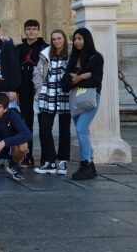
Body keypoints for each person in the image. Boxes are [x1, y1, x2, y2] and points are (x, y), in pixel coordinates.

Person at [64, 28, 104, 181]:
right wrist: (83, 76)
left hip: (90, 99)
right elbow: (65, 82)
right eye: (75, 39)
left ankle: (85, 164)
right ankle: (91, 165)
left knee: (81, 129)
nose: (77, 42)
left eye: (80, 38)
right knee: (83, 131)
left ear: (87, 39)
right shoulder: (73, 58)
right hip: (75, 99)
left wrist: (78, 78)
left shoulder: (96, 58)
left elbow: (95, 81)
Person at [34, 29, 71, 176]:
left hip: (65, 95)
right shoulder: (45, 54)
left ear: (64, 39)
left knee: (64, 130)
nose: (57, 41)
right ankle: (49, 161)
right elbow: (37, 73)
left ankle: (62, 160)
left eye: (59, 38)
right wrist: (39, 89)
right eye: (54, 39)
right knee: (44, 129)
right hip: (47, 95)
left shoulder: (71, 54)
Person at [16, 19, 47, 167]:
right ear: (24, 30)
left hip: (42, 90)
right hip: (24, 90)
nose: (31, 31)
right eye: (28, 29)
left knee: (43, 124)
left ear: (38, 30)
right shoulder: (19, 48)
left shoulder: (45, 47)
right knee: (26, 123)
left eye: (34, 29)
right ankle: (28, 157)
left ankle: (46, 157)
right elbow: (15, 70)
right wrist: (15, 90)